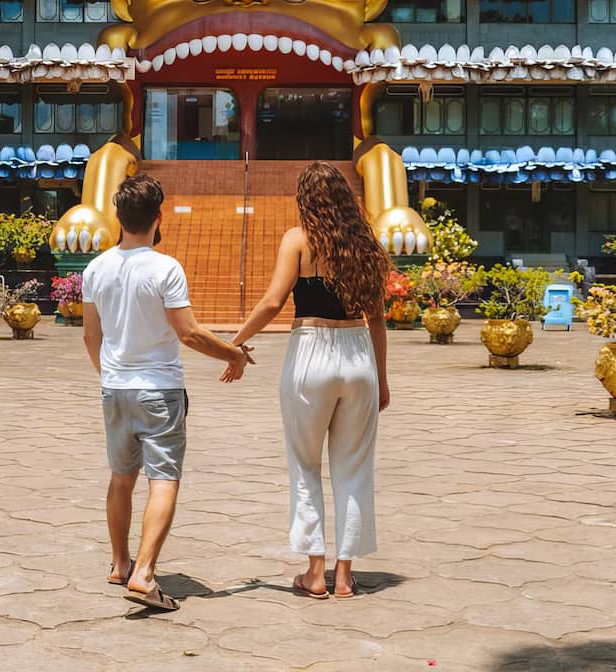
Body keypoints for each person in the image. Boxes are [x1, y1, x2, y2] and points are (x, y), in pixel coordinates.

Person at [82, 172, 250, 611]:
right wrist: (234, 353)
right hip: (159, 390)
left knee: (121, 479)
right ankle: (144, 573)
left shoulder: (96, 268)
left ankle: (120, 564)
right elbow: (189, 333)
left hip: (115, 388)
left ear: (118, 217)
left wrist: (111, 374)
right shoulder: (164, 267)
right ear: (158, 217)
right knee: (163, 479)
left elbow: (89, 337)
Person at [229, 161, 391, 599]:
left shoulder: (298, 240)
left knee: (305, 465)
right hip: (359, 356)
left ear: (305, 199)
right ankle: (344, 576)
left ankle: (314, 570)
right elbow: (377, 320)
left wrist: (233, 342)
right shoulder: (367, 245)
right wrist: (383, 379)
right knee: (354, 468)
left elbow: (272, 301)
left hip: (311, 352)